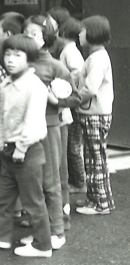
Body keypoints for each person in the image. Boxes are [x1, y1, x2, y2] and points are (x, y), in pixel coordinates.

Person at [0, 34, 52, 258]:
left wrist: (21, 147)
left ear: (29, 58)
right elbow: (3, 117)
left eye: (17, 55)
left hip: (26, 151)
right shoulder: (6, 84)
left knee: (33, 201)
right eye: (7, 54)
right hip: (8, 149)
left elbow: (33, 121)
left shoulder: (34, 86)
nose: (10, 59)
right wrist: (1, 141)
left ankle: (43, 245)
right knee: (4, 198)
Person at [23, 15, 79, 247]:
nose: (29, 38)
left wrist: (55, 100)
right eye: (26, 33)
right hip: (25, 128)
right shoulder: (21, 62)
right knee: (31, 181)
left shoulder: (55, 66)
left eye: (34, 34)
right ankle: (41, 230)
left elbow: (75, 98)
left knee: (50, 179)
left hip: (48, 126)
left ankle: (57, 230)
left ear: (45, 37)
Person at [75, 15, 115, 215]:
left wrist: (74, 99)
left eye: (82, 31)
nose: (79, 34)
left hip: (95, 115)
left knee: (95, 159)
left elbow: (90, 88)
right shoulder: (96, 56)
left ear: (92, 33)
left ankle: (101, 204)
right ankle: (95, 199)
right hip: (95, 113)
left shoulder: (97, 59)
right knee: (92, 158)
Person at [57, 18, 86, 192]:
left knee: (73, 145)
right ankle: (76, 180)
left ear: (63, 32)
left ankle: (79, 182)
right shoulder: (68, 50)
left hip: (72, 101)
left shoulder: (70, 51)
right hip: (70, 99)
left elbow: (77, 71)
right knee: (70, 144)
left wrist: (66, 84)